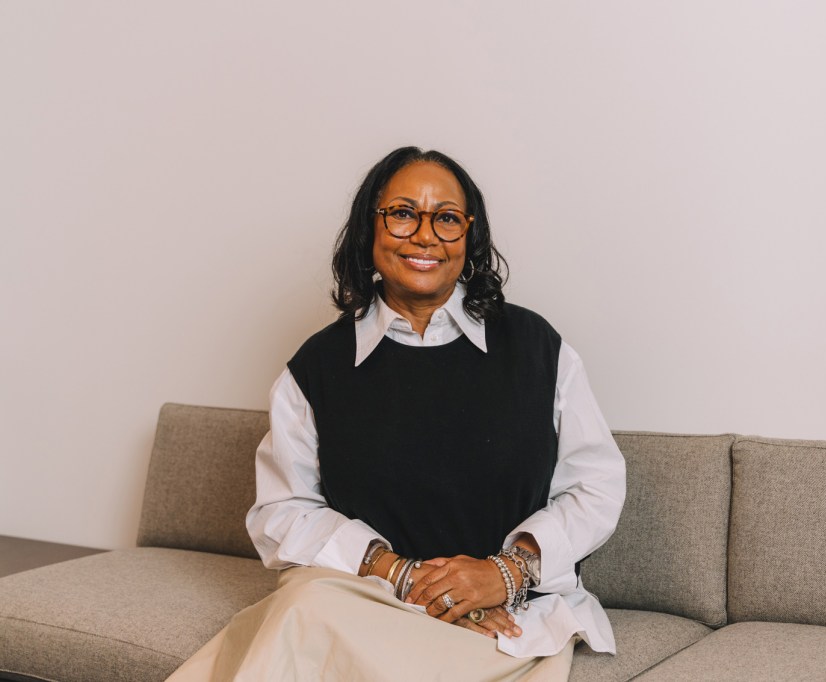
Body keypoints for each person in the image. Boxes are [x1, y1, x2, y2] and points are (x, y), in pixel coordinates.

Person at [168, 146, 626, 681]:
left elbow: (596, 486)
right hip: (360, 595)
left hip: (504, 613)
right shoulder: (315, 368)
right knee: (305, 613)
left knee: (294, 629)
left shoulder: (539, 350)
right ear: (371, 228)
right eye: (404, 213)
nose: (425, 235)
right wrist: (401, 575)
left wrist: (505, 572)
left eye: (447, 218)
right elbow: (282, 511)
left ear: (469, 235)